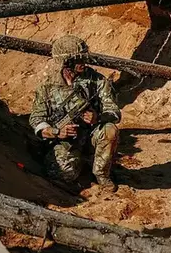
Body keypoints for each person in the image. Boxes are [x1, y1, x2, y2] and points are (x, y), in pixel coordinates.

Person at [28, 35, 121, 192]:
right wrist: (57, 132)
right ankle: (82, 162)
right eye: (78, 59)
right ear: (66, 62)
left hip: (92, 135)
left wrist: (98, 118)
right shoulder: (48, 86)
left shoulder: (96, 80)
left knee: (110, 130)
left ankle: (101, 174)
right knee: (62, 174)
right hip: (65, 141)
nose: (83, 62)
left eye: (84, 57)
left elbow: (114, 112)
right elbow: (36, 119)